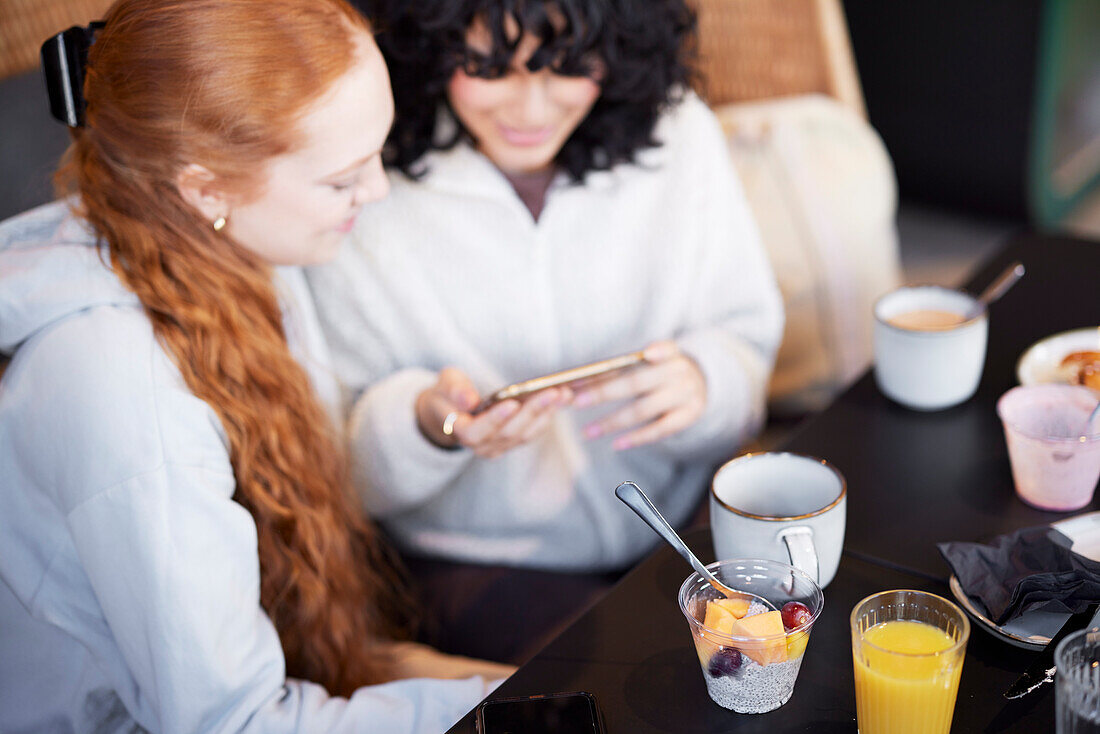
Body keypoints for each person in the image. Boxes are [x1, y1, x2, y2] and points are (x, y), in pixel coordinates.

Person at [0, 0, 511, 731]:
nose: (378, 192)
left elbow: (295, 489)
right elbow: (235, 723)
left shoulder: (233, 250)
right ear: (205, 187)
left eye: (377, 155)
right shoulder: (124, 394)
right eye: (342, 179)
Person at [307, 0, 784, 662]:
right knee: (634, 681)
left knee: (778, 651)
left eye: (566, 64)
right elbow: (336, 467)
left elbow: (744, 340)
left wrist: (707, 383)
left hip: (679, 521)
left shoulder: (678, 137)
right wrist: (425, 425)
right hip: (474, 560)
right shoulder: (358, 188)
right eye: (488, 67)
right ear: (428, 46)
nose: (531, 110)